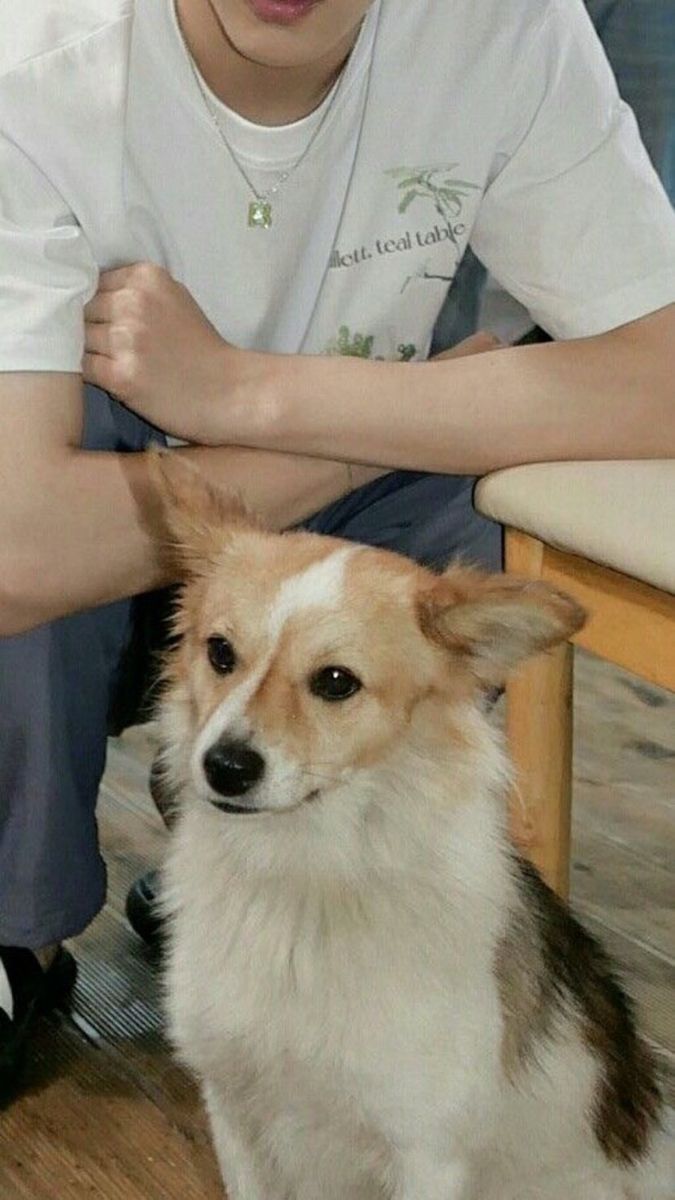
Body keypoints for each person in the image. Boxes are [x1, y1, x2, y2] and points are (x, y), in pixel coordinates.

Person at [0, 0, 673, 1106]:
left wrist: (244, 391)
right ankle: (14, 928)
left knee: (493, 489)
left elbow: (662, 375)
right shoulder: (37, 58)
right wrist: (353, 443)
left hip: (298, 551)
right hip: (96, 547)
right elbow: (20, 547)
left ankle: (262, 861)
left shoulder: (504, 28)